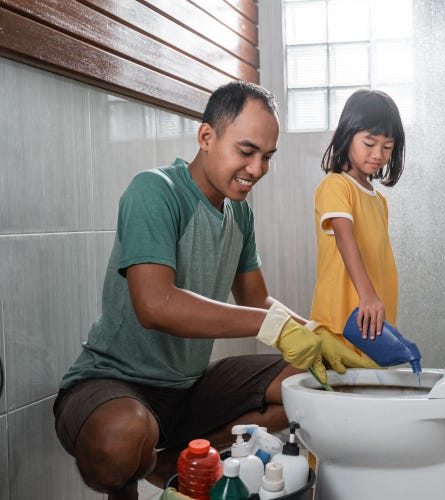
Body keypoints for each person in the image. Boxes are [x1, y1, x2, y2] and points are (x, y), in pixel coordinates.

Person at [53, 81, 356, 500]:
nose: (257, 169)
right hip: (114, 383)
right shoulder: (155, 191)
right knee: (122, 439)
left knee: (310, 383)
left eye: (267, 157)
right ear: (206, 136)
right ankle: (129, 484)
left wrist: (319, 335)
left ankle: (170, 464)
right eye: (246, 151)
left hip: (189, 387)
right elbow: (155, 305)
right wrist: (278, 329)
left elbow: (256, 300)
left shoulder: (240, 213)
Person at [308, 89, 406, 360]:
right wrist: (368, 296)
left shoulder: (379, 201)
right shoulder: (336, 186)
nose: (378, 154)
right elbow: (344, 238)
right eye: (369, 143)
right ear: (346, 136)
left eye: (387, 147)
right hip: (339, 324)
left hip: (369, 324)